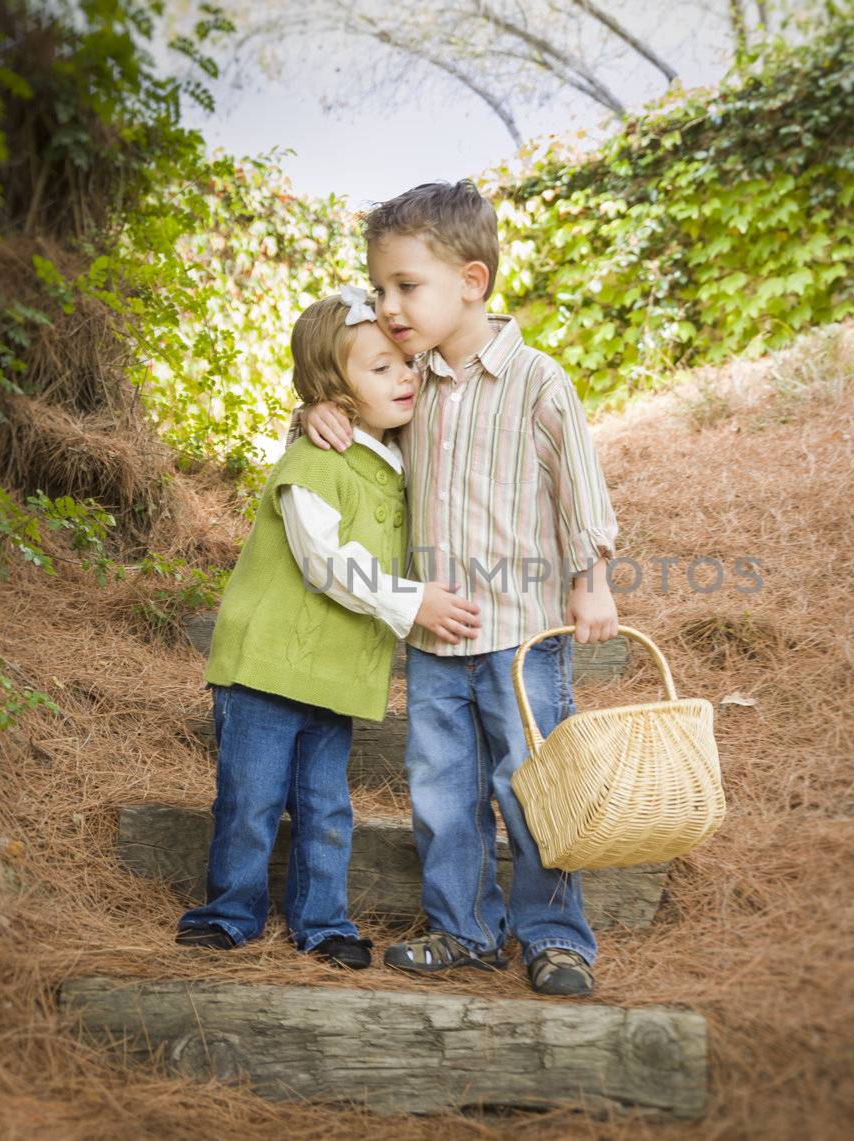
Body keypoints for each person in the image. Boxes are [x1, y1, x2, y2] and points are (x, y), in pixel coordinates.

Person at [299, 182, 619, 996]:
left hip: (522, 635)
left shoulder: (538, 382)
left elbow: (580, 488)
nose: (389, 305)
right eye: (379, 290)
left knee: (535, 788)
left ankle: (555, 936)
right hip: (437, 637)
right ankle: (465, 927)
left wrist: (593, 579)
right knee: (442, 791)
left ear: (471, 281)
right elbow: (350, 395)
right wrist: (312, 415)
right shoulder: (409, 384)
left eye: (406, 287)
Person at [176, 288, 482, 967]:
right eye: (381, 368)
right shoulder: (315, 459)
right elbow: (326, 563)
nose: (405, 376)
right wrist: (413, 603)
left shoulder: (398, 465)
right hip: (265, 667)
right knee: (251, 799)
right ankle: (229, 911)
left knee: (326, 807)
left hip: (333, 675)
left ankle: (322, 920)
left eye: (406, 363)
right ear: (335, 397)